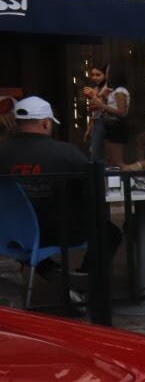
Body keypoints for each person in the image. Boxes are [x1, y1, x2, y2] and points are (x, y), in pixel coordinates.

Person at [0, 96, 121, 281]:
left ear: (18, 123)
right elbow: (95, 187)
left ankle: (53, 273)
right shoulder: (66, 153)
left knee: (30, 238)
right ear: (46, 123)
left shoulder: (3, 153)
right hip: (58, 232)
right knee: (109, 232)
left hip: (10, 235)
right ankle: (85, 280)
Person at [84, 63, 130, 167]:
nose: (107, 75)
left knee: (115, 161)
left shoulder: (119, 91)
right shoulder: (114, 90)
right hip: (111, 126)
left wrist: (102, 105)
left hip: (115, 126)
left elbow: (122, 112)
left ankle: (123, 180)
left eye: (108, 73)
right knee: (110, 160)